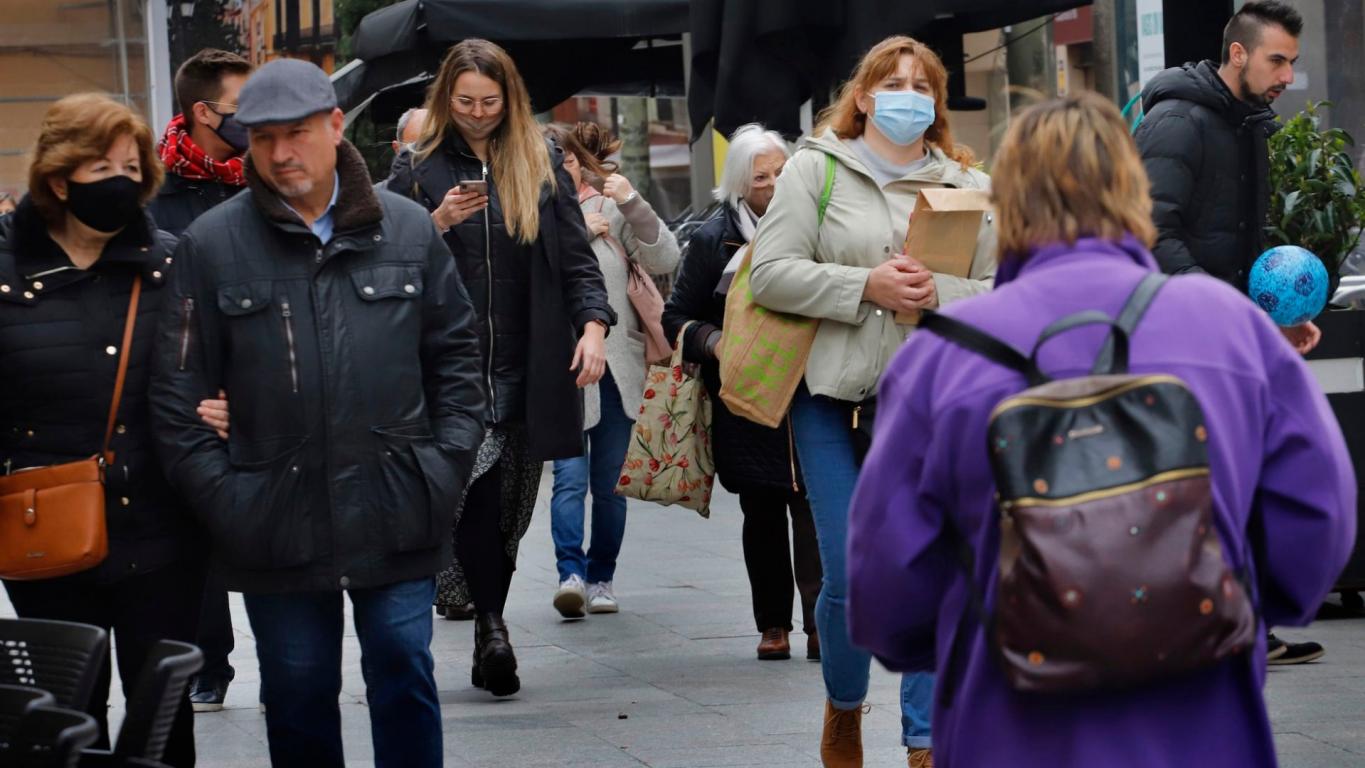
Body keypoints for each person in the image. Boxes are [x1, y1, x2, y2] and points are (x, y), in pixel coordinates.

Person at [848, 91, 1356, 768]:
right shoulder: (1229, 327)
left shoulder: (940, 359)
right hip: (1203, 725)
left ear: (1010, 205)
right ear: (1133, 190)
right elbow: (1315, 526)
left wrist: (952, 637)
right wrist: (1225, 599)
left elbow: (886, 588)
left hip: (1004, 728)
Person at [150, 59, 486, 768]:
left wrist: (441, 466)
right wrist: (230, 496)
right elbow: (178, 395)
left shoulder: (407, 232)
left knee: (403, 670)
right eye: (263, 138)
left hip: (397, 501)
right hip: (273, 516)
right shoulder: (212, 245)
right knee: (297, 690)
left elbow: (457, 362)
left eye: (296, 134)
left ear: (335, 128)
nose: (279, 154)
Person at [748, 35, 996, 768]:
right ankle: (844, 706)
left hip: (926, 406)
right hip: (830, 404)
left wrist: (933, 297)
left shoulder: (964, 183)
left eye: (924, 86)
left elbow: (997, 290)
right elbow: (771, 274)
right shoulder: (813, 170)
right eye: (895, 83)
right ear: (861, 96)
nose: (909, 96)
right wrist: (866, 288)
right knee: (851, 576)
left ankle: (922, 744)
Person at [386, 38, 614, 698]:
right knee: (478, 498)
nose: (478, 114)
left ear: (508, 99)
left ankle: (485, 608)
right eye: (464, 103)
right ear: (443, 101)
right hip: (448, 368)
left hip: (529, 361)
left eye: (489, 102)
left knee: (510, 508)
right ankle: (492, 627)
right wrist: (435, 221)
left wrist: (593, 328)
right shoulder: (416, 164)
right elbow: (383, 260)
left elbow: (577, 261)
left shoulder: (539, 159)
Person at [0, 93, 200, 766]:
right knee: (66, 723)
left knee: (163, 723)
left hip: (159, 529)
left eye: (131, 165)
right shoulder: (4, 277)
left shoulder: (172, 264)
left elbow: (203, 374)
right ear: (59, 180)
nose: (123, 180)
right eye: (103, 167)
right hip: (44, 537)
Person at [1137, 0, 1326, 664]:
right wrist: (1226, 315)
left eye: (1292, 62)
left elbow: (1240, 245)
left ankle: (1240, 626)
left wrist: (1274, 318)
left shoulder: (1245, 124)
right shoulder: (1177, 121)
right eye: (1276, 59)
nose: (1285, 75)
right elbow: (1151, 233)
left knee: (1236, 480)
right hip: (1180, 339)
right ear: (1238, 54)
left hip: (1223, 336)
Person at [662, 123, 823, 662]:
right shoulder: (714, 238)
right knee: (762, 510)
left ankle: (821, 621)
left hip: (809, 387)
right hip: (744, 395)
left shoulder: (816, 226)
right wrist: (718, 344)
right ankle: (773, 624)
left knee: (812, 505)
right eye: (761, 178)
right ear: (739, 184)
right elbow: (676, 316)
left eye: (781, 172)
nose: (774, 185)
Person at [148, 45, 254, 714]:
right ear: (202, 113)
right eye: (244, 111)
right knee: (193, 534)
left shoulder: (269, 177)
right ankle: (209, 660)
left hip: (271, 381)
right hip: (190, 392)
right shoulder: (155, 198)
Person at [543, 122, 679, 618]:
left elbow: (666, 256)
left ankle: (601, 576)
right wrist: (577, 229)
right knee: (569, 480)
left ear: (580, 160)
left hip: (618, 370)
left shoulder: (611, 207)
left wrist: (632, 203)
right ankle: (569, 574)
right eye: (551, 161)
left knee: (609, 485)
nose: (562, 167)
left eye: (569, 158)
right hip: (560, 369)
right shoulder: (531, 211)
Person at [150, 48, 253, 237]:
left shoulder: (264, 179)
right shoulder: (150, 189)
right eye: (241, 104)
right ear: (203, 113)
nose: (253, 112)